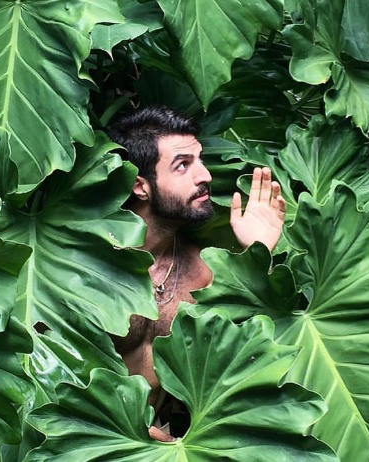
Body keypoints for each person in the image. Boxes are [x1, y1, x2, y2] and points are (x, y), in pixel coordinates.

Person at [107, 105, 286, 441]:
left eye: (200, 160)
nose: (204, 175)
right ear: (140, 186)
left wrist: (257, 252)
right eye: (183, 165)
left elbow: (249, 349)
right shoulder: (87, 265)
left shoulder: (201, 270)